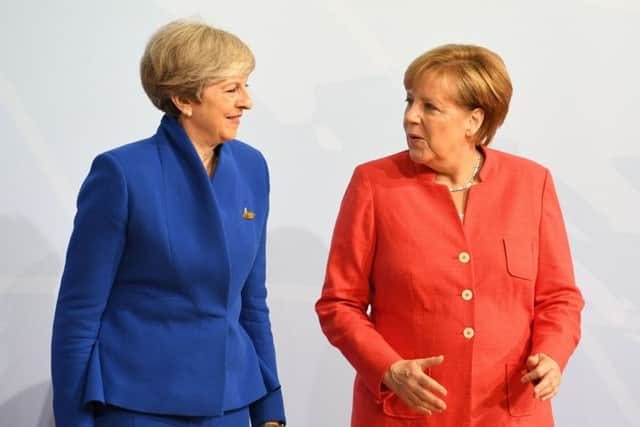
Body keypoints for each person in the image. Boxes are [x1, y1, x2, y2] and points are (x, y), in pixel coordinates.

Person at [315, 44, 584, 426]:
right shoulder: (373, 184)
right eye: (409, 101)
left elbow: (560, 298)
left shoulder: (531, 183)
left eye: (430, 107)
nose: (410, 117)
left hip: (509, 413)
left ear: (473, 120)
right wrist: (388, 369)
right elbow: (339, 304)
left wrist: (552, 355)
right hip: (406, 415)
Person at [51, 20, 285, 427]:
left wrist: (270, 409)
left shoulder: (252, 167)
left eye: (246, 85)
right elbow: (79, 311)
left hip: (229, 404)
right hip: (139, 404)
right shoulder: (121, 173)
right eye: (231, 89)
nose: (247, 101)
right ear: (183, 99)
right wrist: (74, 420)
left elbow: (252, 301)